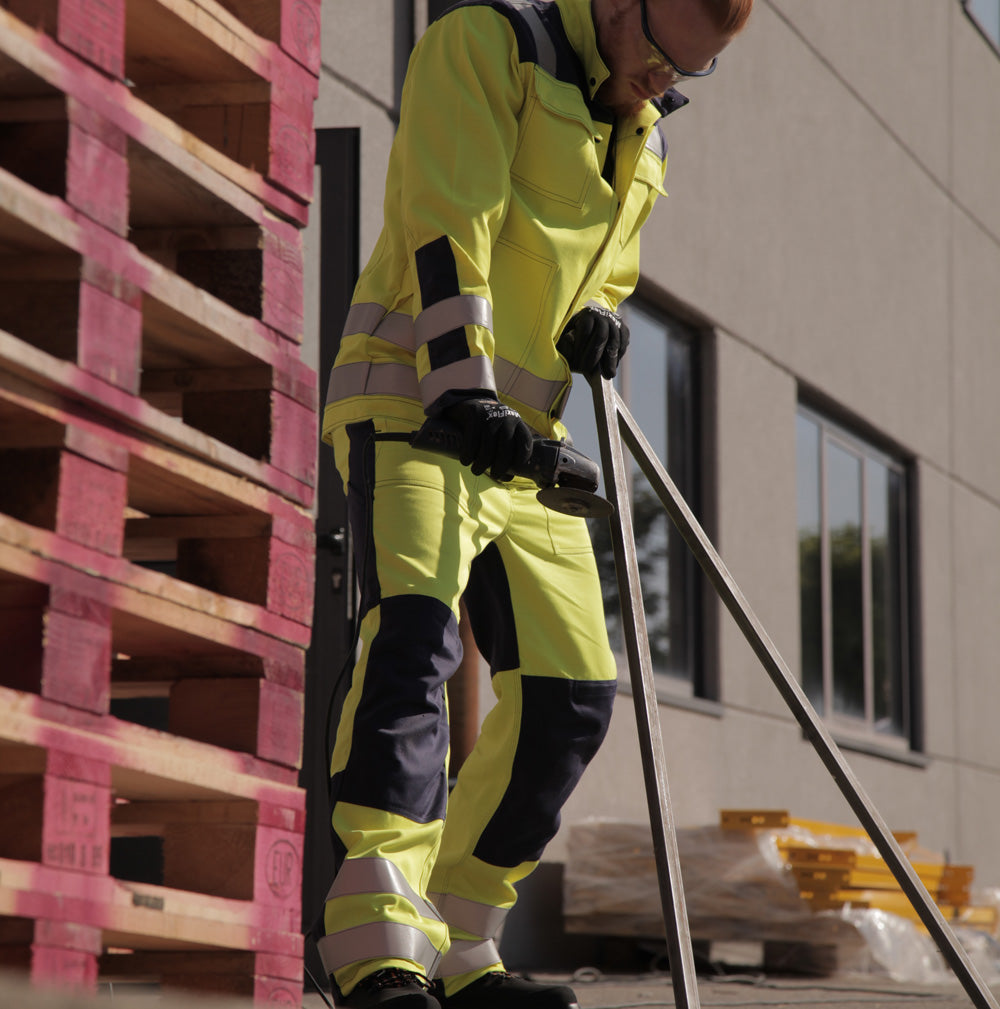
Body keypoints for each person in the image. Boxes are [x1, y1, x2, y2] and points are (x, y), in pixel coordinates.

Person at [317, 1, 752, 1007]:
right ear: (618, 3)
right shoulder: (489, 47)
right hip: (415, 402)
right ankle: (377, 951)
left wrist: (601, 319)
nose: (662, 84)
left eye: (688, 74)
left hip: (524, 442)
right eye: (660, 57)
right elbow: (448, 221)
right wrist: (461, 388)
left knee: (570, 696)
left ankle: (461, 946)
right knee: (412, 649)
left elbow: (601, 268)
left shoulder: (644, 130)